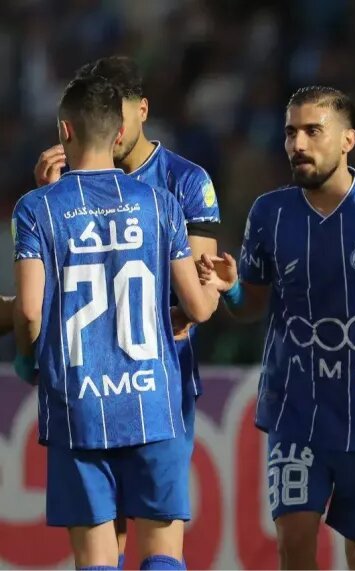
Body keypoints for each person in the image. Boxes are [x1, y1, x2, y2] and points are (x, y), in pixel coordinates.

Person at [201, 86, 355, 570]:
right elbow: (252, 306)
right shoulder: (269, 213)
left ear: (348, 140)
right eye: (291, 132)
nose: (298, 144)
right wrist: (231, 290)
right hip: (296, 411)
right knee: (295, 546)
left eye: (313, 131)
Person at [12, 75, 223, 570]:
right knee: (162, 553)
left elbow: (28, 309)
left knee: (99, 559)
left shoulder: (37, 208)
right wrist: (220, 287)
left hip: (78, 404)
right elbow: (197, 308)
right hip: (153, 400)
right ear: (118, 132)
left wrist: (27, 357)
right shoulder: (161, 203)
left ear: (65, 131)